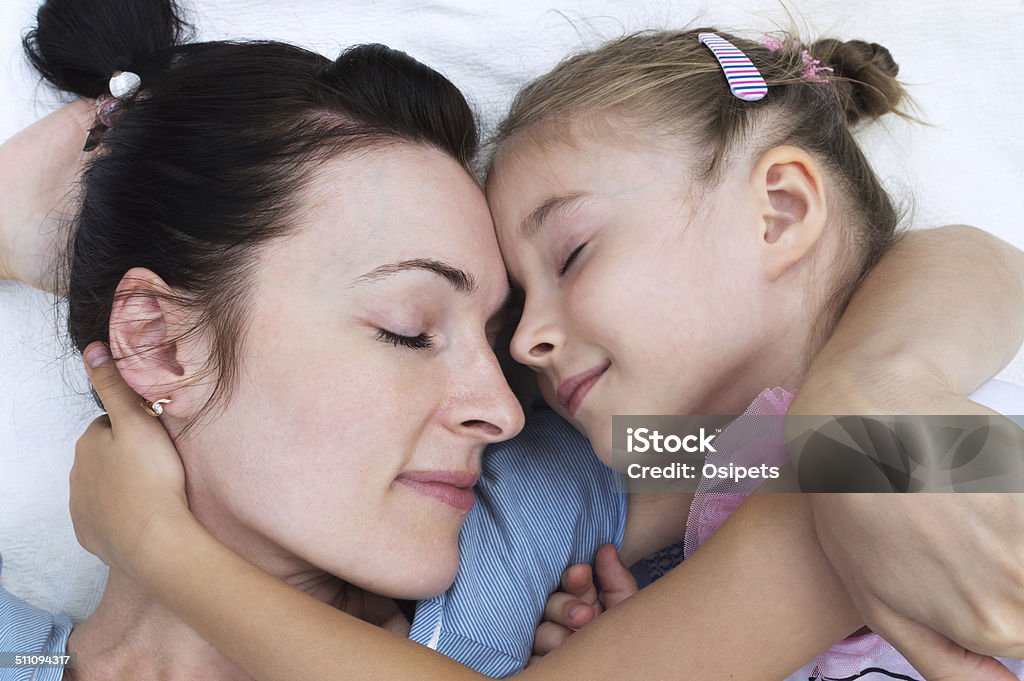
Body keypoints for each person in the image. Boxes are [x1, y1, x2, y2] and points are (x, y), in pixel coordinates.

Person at [7, 6, 1024, 681]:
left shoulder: (803, 467)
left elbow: (957, 346)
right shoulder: (726, 459)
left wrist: (159, 545)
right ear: (157, 343)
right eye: (411, 328)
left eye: (570, 257)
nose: (512, 376)